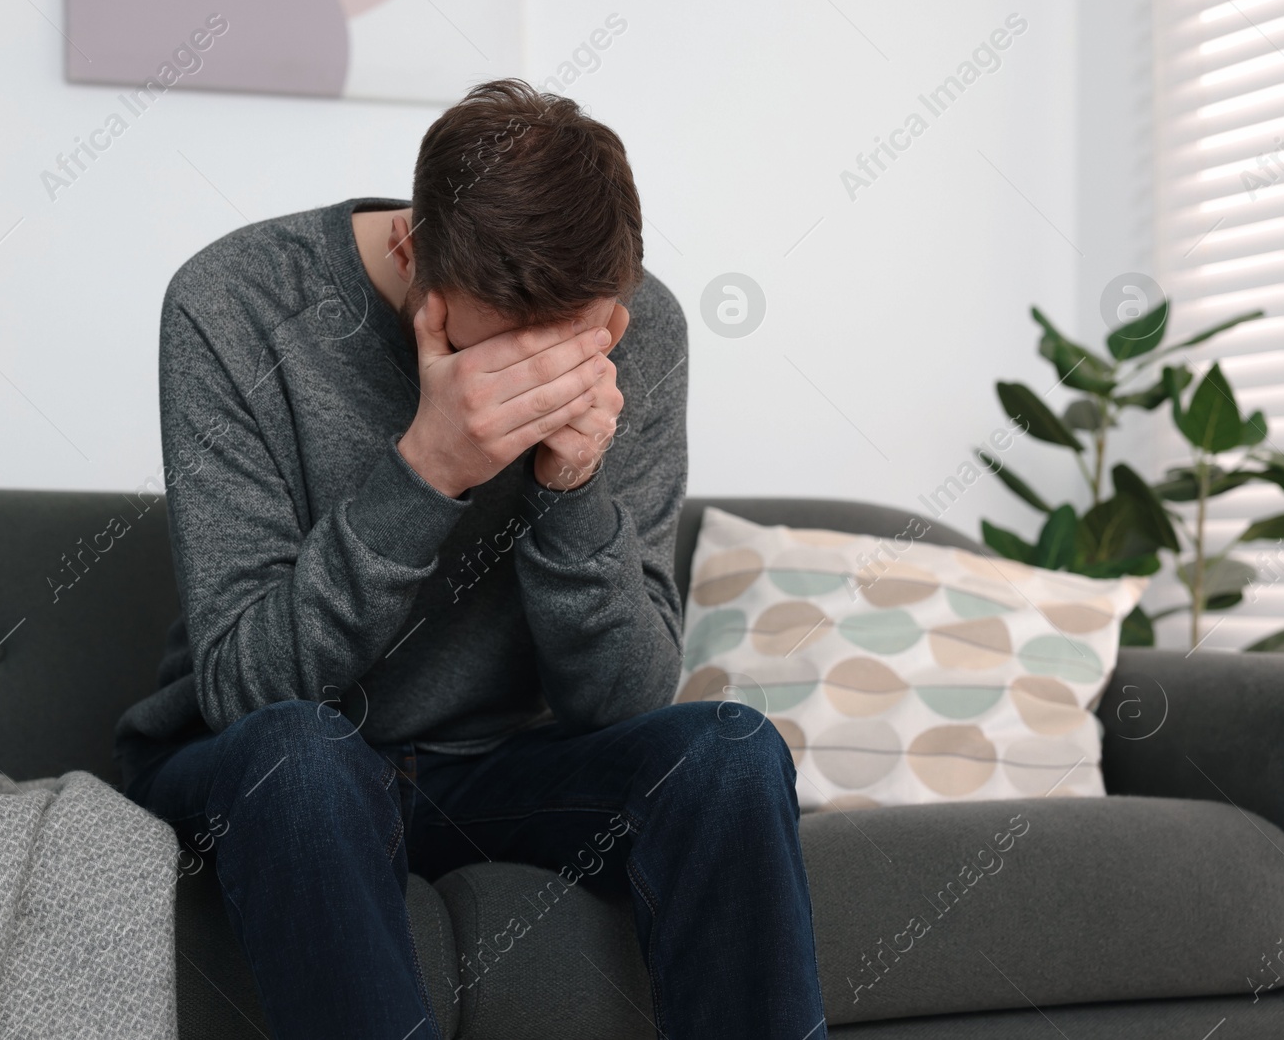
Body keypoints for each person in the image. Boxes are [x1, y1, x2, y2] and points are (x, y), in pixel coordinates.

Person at [114, 78, 828, 1039]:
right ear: (412, 255)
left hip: (501, 769)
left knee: (730, 751)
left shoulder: (640, 329)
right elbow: (250, 688)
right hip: (272, 764)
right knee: (302, 758)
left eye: (567, 351)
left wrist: (571, 486)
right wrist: (429, 466)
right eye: (500, 358)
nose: (537, 383)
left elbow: (623, 703)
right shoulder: (235, 301)